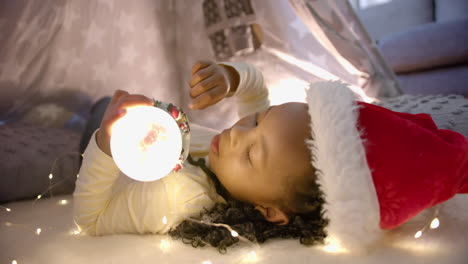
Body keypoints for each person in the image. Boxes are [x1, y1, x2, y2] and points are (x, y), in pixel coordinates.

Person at [74, 60, 468, 253]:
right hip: (133, 122)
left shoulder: (183, 198)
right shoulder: (237, 164)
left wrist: (105, 145)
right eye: (256, 120)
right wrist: (233, 77)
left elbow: (90, 219)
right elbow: (257, 95)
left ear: (269, 211)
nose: (234, 134)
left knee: (83, 116)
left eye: (250, 153)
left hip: (95, 148)